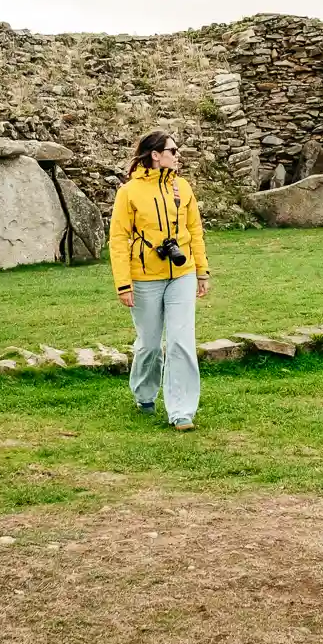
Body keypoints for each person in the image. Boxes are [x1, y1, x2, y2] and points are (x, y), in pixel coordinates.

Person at [109, 130, 210, 431]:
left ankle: (182, 411)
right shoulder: (129, 192)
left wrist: (202, 271)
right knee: (150, 344)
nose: (179, 156)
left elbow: (195, 232)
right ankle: (144, 394)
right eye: (174, 150)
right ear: (156, 155)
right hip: (144, 278)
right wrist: (123, 283)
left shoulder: (183, 187)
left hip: (183, 274)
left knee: (181, 341)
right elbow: (117, 239)